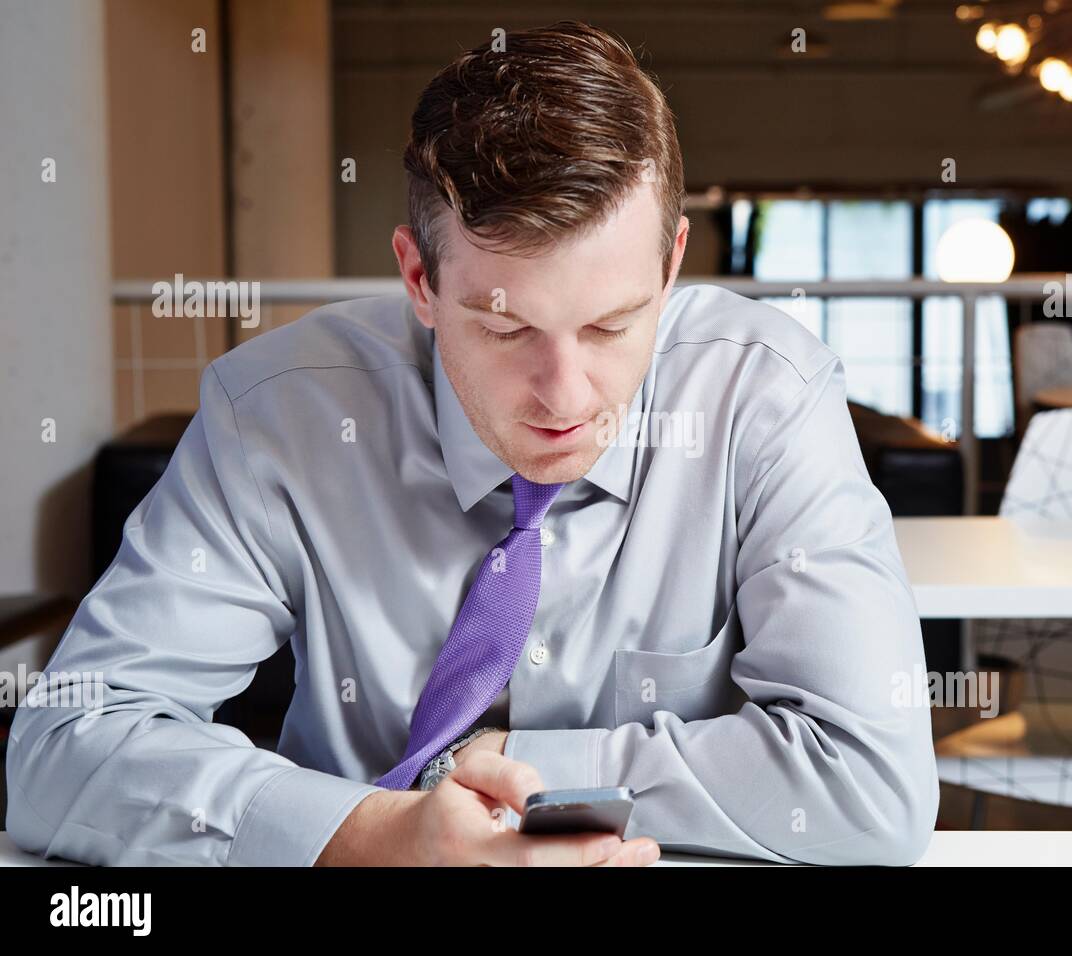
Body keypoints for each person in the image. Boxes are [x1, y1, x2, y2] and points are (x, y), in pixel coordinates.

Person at [5, 20, 937, 867]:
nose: (566, 398)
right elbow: (62, 745)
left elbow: (873, 783)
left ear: (672, 264)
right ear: (418, 279)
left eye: (614, 325)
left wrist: (502, 769)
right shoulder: (276, 413)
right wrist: (379, 835)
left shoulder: (765, 398)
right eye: (505, 329)